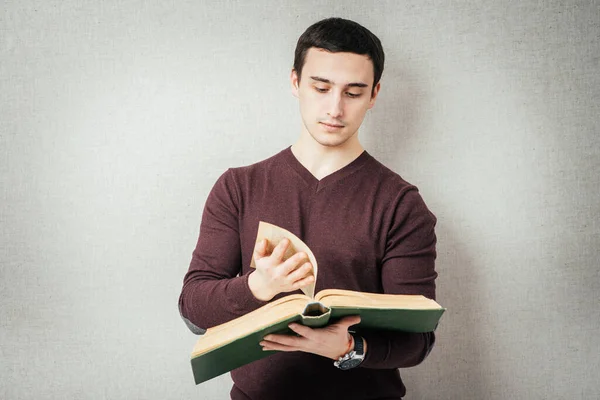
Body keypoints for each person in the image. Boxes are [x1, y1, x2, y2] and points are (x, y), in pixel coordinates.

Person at [178, 17, 438, 400]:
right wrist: (257, 286)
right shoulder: (238, 187)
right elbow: (193, 308)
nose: (335, 108)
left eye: (353, 92)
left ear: (374, 95)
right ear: (296, 82)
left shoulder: (401, 204)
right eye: (321, 87)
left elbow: (418, 338)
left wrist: (349, 348)